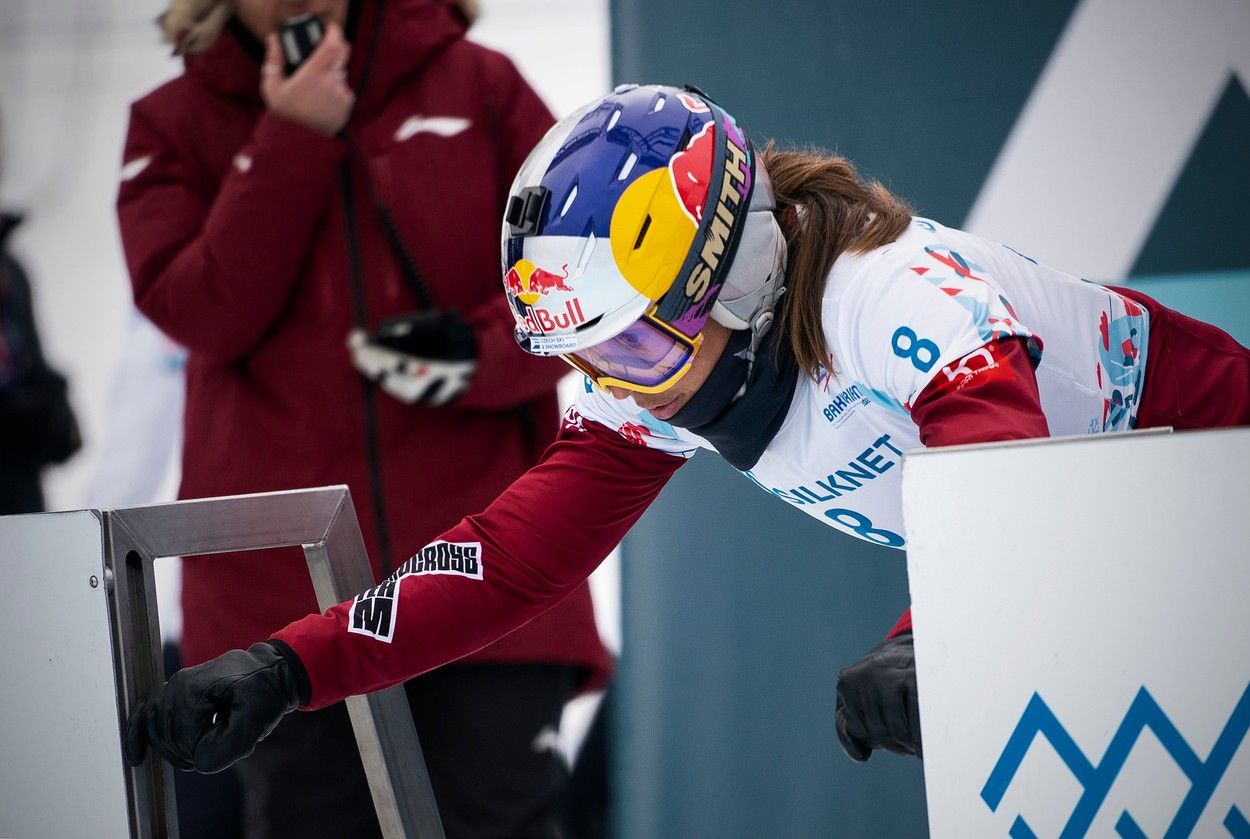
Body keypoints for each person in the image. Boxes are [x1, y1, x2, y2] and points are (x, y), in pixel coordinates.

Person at [125, 83, 1250, 785]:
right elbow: (507, 560)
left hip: (1211, 495)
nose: (629, 393)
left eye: (637, 351)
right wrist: (290, 662)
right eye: (589, 361)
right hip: (1102, 569)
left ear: (739, 274)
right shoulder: (661, 358)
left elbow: (997, 474)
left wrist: (925, 634)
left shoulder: (889, 291)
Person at [115, 1, 612, 836]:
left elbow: (594, 276)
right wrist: (291, 137)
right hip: (275, 607)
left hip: (488, 581)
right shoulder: (172, 124)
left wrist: (476, 353)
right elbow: (201, 312)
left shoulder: (480, 85)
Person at [0, 211, 81, 514]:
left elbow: (31, 358)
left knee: (28, 552)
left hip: (20, 462)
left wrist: (52, 401)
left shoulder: (12, 269)